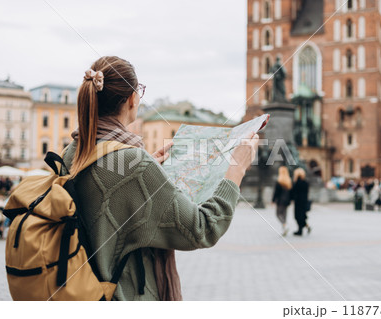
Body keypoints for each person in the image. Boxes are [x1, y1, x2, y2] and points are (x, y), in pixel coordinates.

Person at [61, 56, 259, 301]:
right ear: (132, 99)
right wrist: (236, 169)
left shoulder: (71, 152)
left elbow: (109, 200)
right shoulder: (134, 165)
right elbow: (202, 228)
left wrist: (148, 168)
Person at [272, 166, 292, 236]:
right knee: (284, 215)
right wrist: (291, 200)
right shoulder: (289, 181)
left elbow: (276, 193)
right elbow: (291, 192)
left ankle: (284, 225)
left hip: (280, 201)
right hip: (287, 201)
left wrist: (273, 200)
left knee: (278, 214)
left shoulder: (279, 181)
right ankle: (284, 229)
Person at [290, 168, 310, 236]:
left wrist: (291, 198)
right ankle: (305, 227)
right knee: (302, 216)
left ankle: (300, 230)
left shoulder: (296, 182)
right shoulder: (306, 182)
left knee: (297, 216)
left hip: (298, 201)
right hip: (304, 201)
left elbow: (293, 192)